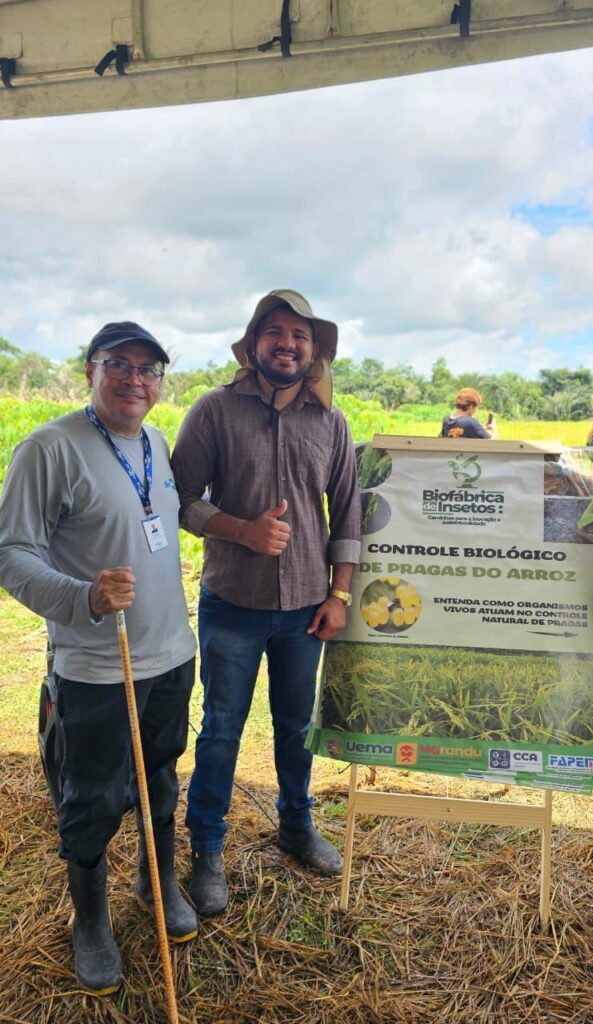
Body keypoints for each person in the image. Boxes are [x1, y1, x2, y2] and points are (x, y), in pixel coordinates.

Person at [0, 323, 198, 994]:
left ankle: (155, 881)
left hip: (171, 656)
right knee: (92, 798)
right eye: (119, 364)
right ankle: (90, 920)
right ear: (91, 370)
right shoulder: (49, 448)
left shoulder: (156, 443)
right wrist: (83, 596)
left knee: (161, 778)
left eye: (149, 368)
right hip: (95, 668)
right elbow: (12, 553)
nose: (134, 379)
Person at [171, 288, 361, 916]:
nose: (287, 344)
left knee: (296, 727)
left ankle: (296, 826)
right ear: (253, 344)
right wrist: (241, 530)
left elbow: (347, 513)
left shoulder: (331, 423)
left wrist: (339, 593)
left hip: (306, 608)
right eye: (275, 332)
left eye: (300, 335)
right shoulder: (214, 410)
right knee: (221, 729)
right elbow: (181, 498)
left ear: (314, 351)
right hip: (233, 603)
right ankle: (207, 848)